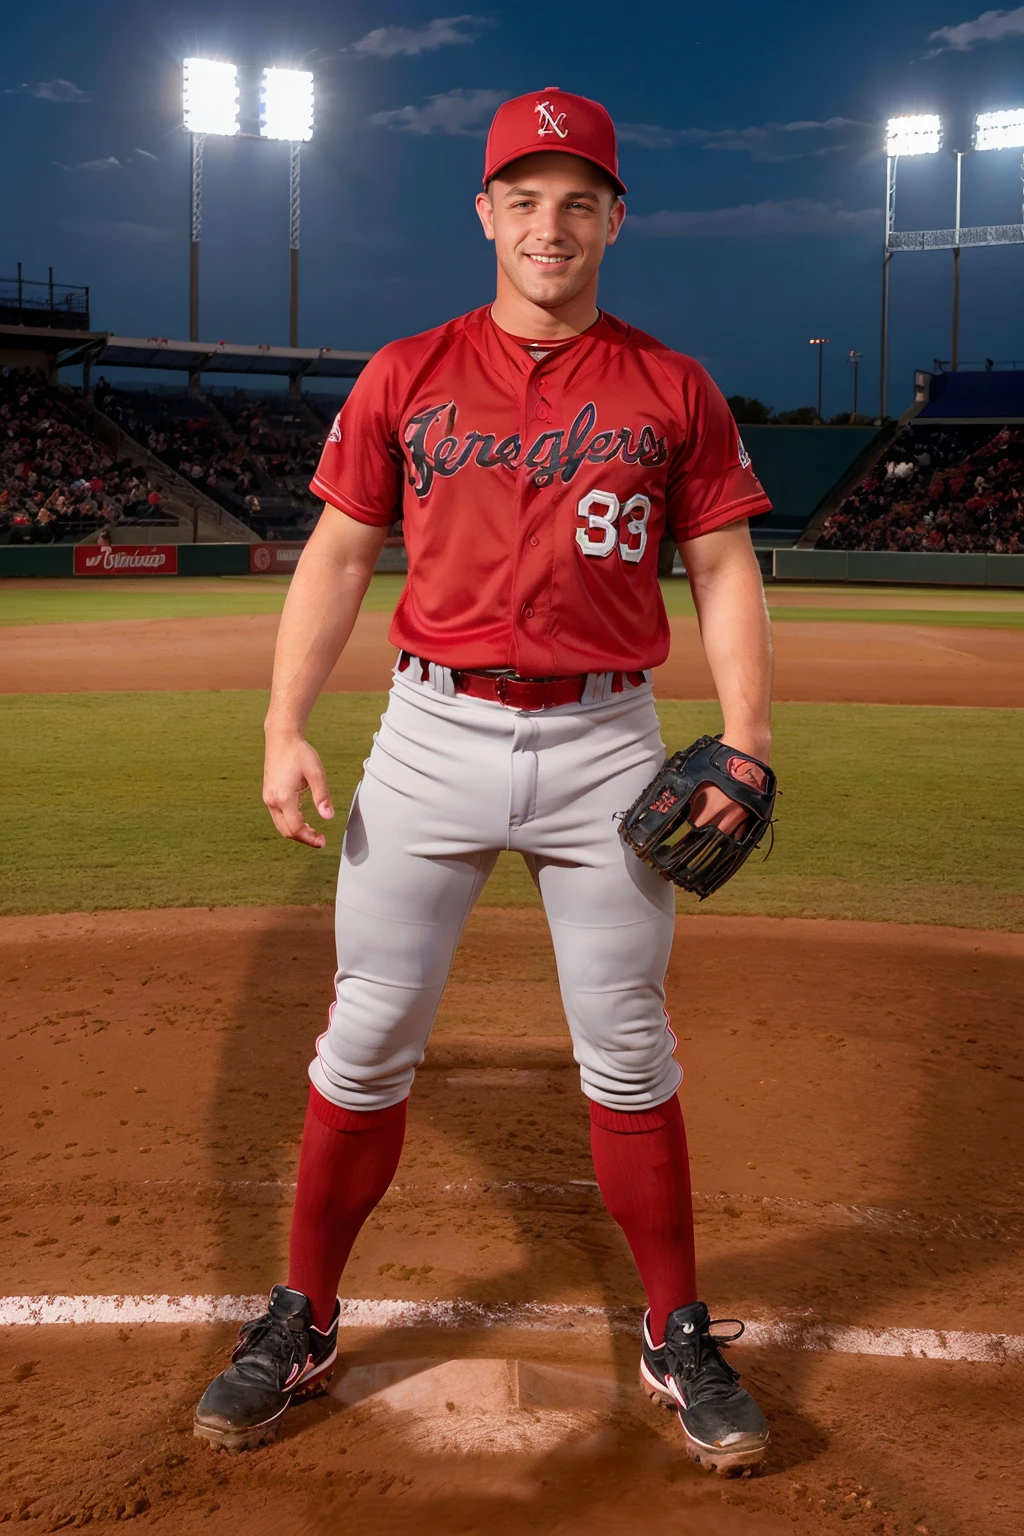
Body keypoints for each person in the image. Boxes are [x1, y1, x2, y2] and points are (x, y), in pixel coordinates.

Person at [194, 89, 775, 1473]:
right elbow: (337, 558)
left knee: (628, 1048)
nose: (550, 223)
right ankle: (304, 1317)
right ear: (485, 213)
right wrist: (284, 725)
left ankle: (672, 1329)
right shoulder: (407, 371)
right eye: (524, 197)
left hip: (606, 747)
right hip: (431, 736)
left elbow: (723, 568)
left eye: (579, 199)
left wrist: (744, 739)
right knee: (366, 1039)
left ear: (615, 219)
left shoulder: (674, 384)